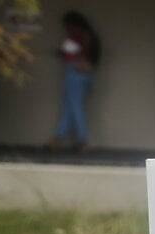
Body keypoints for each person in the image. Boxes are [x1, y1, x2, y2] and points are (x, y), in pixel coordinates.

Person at [49, 11, 100, 150]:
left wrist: (59, 51)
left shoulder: (78, 36)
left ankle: (82, 139)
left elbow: (66, 52)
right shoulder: (89, 36)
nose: (67, 29)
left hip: (75, 73)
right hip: (84, 73)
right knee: (70, 106)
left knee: (74, 106)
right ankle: (59, 137)